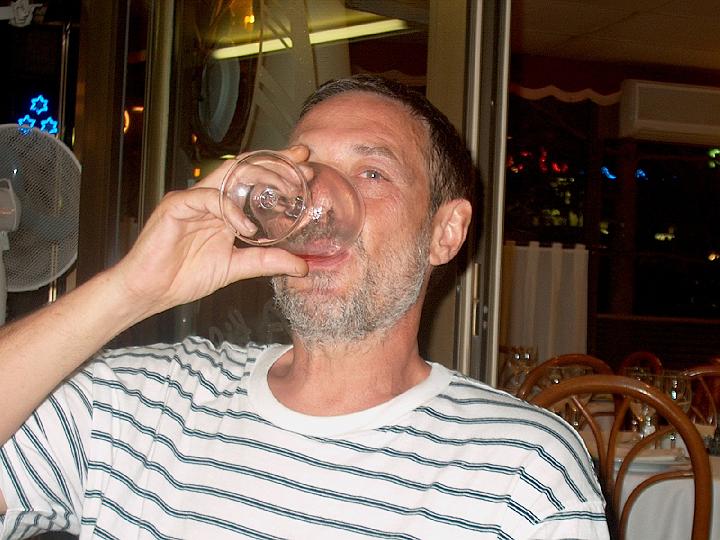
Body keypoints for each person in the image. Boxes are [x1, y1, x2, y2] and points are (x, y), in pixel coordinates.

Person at [0, 75, 608, 539]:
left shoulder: (521, 471)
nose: (318, 204)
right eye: (304, 172)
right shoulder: (141, 404)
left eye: (371, 173)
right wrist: (130, 289)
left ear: (445, 232)